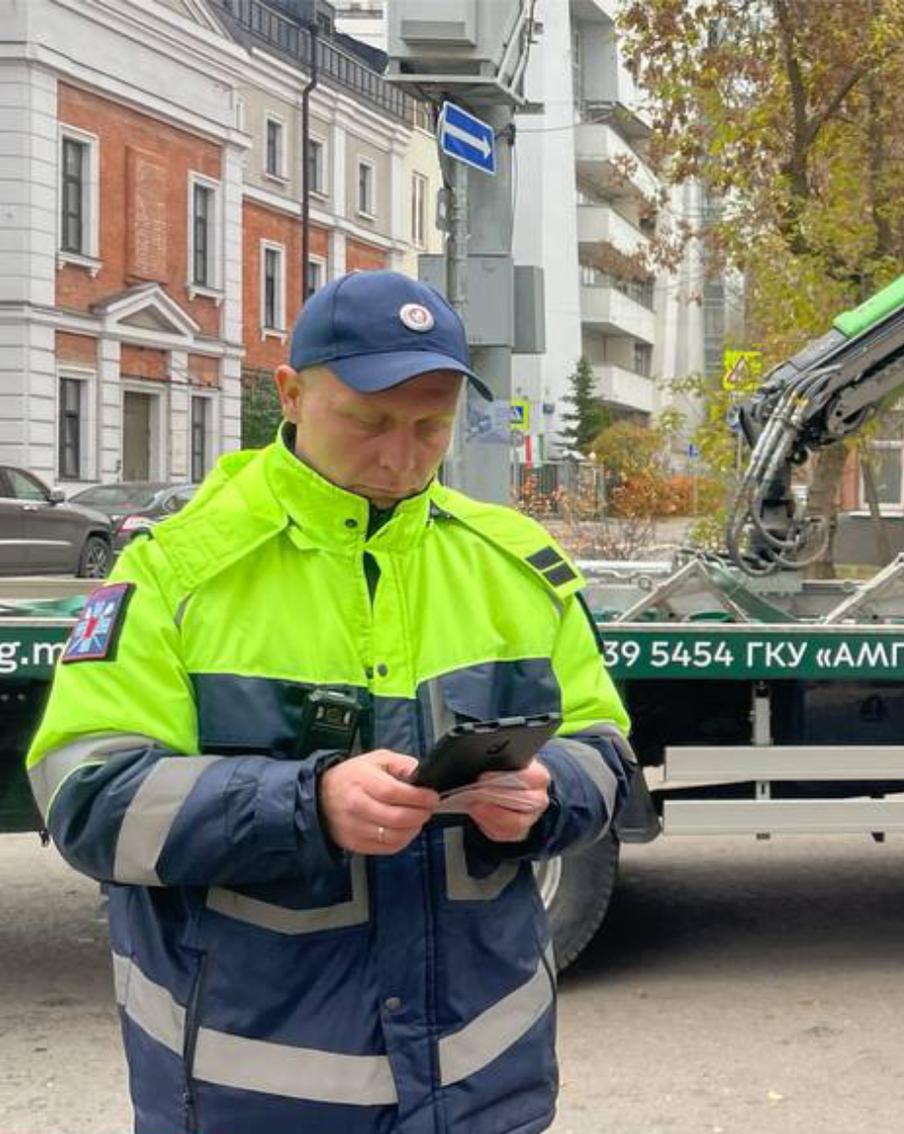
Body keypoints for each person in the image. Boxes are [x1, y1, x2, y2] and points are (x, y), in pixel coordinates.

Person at [26, 269, 634, 1134]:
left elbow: (605, 750)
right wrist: (307, 804)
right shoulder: (175, 573)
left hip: (486, 1095)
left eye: (430, 427)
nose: (401, 456)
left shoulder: (519, 565)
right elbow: (89, 800)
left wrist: (548, 794)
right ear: (290, 392)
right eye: (369, 421)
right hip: (249, 1103)